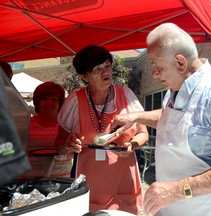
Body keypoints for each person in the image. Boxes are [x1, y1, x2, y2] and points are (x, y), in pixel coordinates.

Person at [110, 23, 211, 216]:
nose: (154, 73)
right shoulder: (174, 91)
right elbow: (173, 119)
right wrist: (136, 117)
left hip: (208, 209)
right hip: (172, 208)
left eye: (157, 65)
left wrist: (174, 191)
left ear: (180, 62)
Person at [55, 45, 149, 214]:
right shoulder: (75, 101)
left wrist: (132, 145)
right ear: (85, 76)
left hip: (123, 181)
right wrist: (68, 144)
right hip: (89, 183)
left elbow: (144, 134)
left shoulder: (126, 95)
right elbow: (59, 145)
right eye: (97, 69)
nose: (105, 72)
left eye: (107, 66)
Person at [21, 81, 73, 178]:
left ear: (60, 102)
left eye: (54, 99)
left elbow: (73, 154)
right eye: (44, 99)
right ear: (37, 101)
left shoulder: (68, 124)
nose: (49, 103)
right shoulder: (25, 124)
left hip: (61, 182)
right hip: (28, 181)